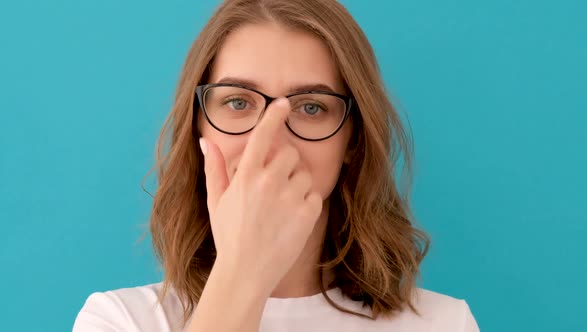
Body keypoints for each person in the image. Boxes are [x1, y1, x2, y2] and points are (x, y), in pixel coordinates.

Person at [73, 0, 479, 331]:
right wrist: (243, 274)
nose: (269, 141)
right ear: (197, 128)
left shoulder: (444, 324)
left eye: (310, 107)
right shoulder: (120, 320)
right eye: (237, 102)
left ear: (352, 140)